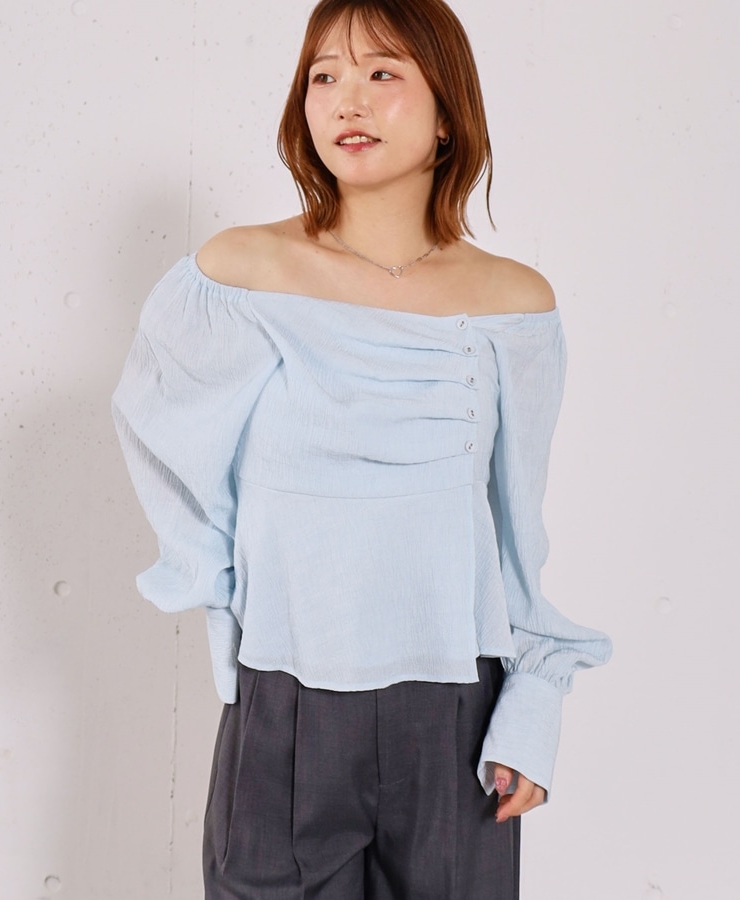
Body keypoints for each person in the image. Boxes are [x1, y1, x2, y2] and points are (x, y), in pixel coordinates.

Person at [112, 0, 612, 897]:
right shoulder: (240, 276)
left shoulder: (513, 304)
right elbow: (168, 456)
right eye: (325, 76)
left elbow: (515, 534)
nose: (349, 99)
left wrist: (532, 705)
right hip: (285, 705)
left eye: (383, 73)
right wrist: (234, 623)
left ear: (447, 111)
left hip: (457, 717)